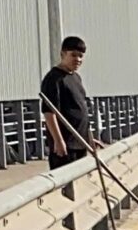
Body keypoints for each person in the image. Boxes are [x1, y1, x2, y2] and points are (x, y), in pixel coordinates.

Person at [39, 36, 98, 165]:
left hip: (80, 143)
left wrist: (89, 138)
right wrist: (58, 141)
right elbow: (49, 113)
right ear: (63, 54)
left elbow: (82, 110)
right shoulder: (53, 79)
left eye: (81, 56)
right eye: (73, 55)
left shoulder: (76, 78)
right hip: (66, 145)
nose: (78, 59)